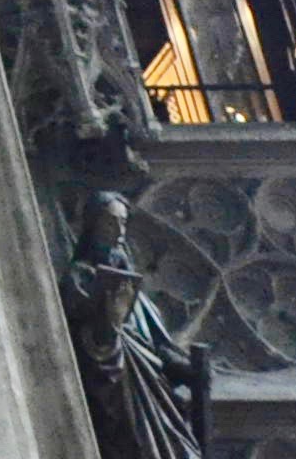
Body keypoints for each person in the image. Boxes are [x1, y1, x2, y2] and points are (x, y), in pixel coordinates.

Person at [66, 189, 210, 459]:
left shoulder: (140, 299)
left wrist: (191, 371)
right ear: (92, 226)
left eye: (122, 223)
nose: (118, 230)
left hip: (153, 393)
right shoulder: (81, 277)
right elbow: (84, 343)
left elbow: (158, 349)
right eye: (110, 222)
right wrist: (109, 330)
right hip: (120, 389)